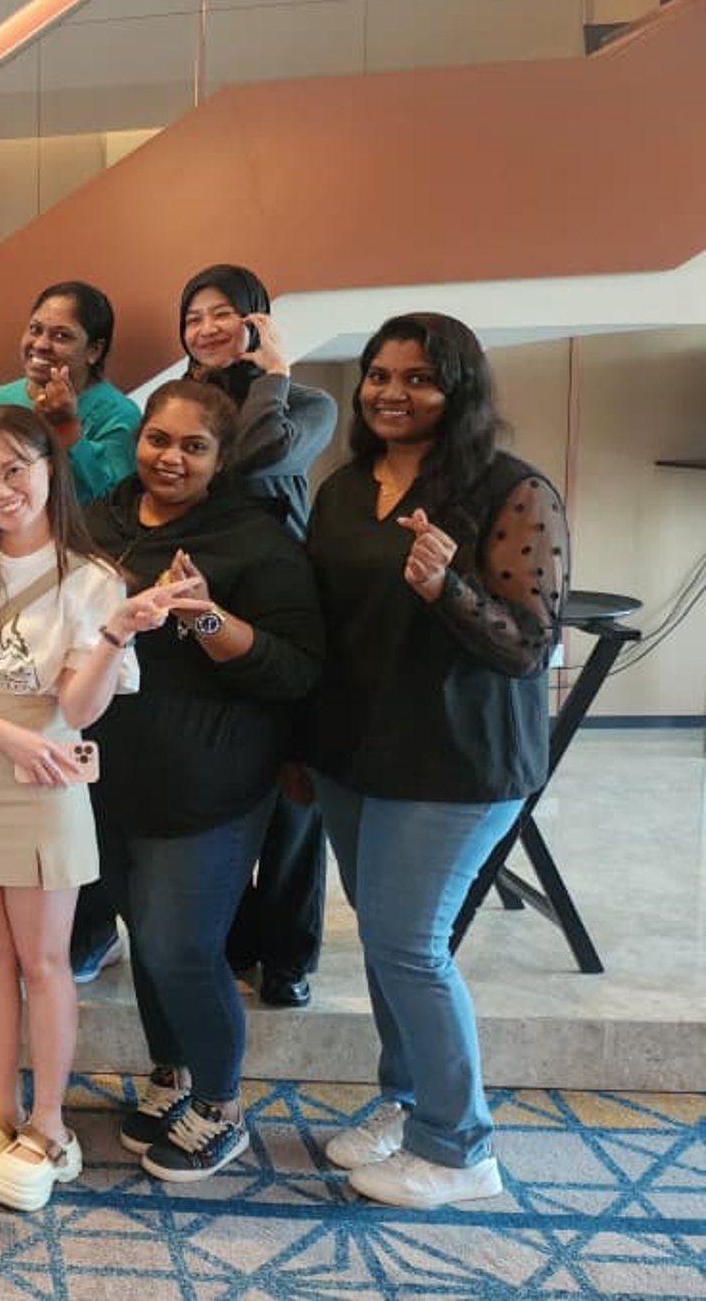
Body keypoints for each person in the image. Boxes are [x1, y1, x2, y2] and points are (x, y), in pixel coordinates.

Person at [0, 406, 194, 1213]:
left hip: (43, 781)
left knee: (44, 961)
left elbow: (80, 710)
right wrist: (7, 740)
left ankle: (49, 1126)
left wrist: (116, 635)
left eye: (14, 469)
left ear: (49, 469)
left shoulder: (90, 576)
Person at [306, 312, 568, 1210]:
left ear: (459, 390)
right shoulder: (344, 488)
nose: (391, 391)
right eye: (379, 373)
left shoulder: (510, 490)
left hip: (456, 760)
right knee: (385, 943)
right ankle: (410, 1102)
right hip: (353, 752)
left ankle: (460, 1148)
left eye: (418, 377)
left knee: (411, 947)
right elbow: (329, 628)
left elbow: (529, 647)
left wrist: (443, 588)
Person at [81, 381, 322, 1182]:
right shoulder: (96, 522)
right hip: (105, 779)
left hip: (210, 786)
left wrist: (204, 617)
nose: (170, 457)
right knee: (145, 940)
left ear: (221, 460)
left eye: (193, 446)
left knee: (182, 947)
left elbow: (293, 671)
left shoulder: (255, 539)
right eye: (158, 439)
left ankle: (220, 1104)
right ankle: (170, 1076)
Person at [166, 263, 339, 1007]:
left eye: (223, 313)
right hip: (203, 601)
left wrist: (274, 373)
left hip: (283, 606)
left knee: (294, 794)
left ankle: (289, 953)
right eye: (193, 315)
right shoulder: (179, 406)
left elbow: (259, 459)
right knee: (224, 781)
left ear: (257, 320)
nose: (206, 328)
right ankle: (235, 940)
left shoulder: (310, 402)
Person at [0, 281, 141, 505]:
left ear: (94, 351)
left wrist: (68, 431)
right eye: (35, 329)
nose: (40, 344)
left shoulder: (119, 415)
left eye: (61, 336)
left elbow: (115, 504)